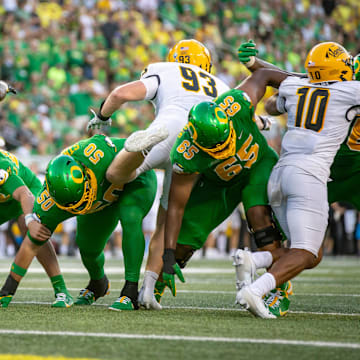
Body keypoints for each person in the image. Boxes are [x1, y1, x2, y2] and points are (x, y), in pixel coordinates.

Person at [88, 39, 230, 309]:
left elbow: (120, 94)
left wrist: (103, 118)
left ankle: (139, 150)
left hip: (168, 126)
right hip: (196, 142)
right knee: (166, 222)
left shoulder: (165, 69)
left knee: (117, 175)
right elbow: (247, 120)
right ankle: (149, 291)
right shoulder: (221, 85)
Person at [234, 42, 359, 318]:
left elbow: (271, 104)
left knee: (309, 255)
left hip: (281, 173)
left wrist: (305, 84)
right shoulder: (352, 90)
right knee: (304, 252)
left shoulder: (293, 86)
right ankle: (256, 290)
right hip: (309, 175)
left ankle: (253, 260)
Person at [160, 72, 289, 307]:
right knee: (182, 246)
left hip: (256, 166)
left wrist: (301, 84)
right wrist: (168, 256)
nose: (223, 150)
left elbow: (263, 75)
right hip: (217, 184)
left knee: (259, 218)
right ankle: (155, 284)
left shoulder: (237, 102)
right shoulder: (185, 153)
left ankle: (278, 287)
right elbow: (176, 208)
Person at [0, 134, 157, 310]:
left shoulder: (98, 155)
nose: (76, 206)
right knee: (88, 248)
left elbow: (132, 151)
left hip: (134, 176)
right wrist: (8, 289)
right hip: (101, 197)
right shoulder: (48, 203)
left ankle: (130, 291)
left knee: (130, 217)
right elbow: (31, 244)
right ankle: (98, 284)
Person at [0, 81, 72, 308]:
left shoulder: (1, 168)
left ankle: (61, 290)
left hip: (26, 191)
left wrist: (31, 219)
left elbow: (24, 195)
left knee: (33, 230)